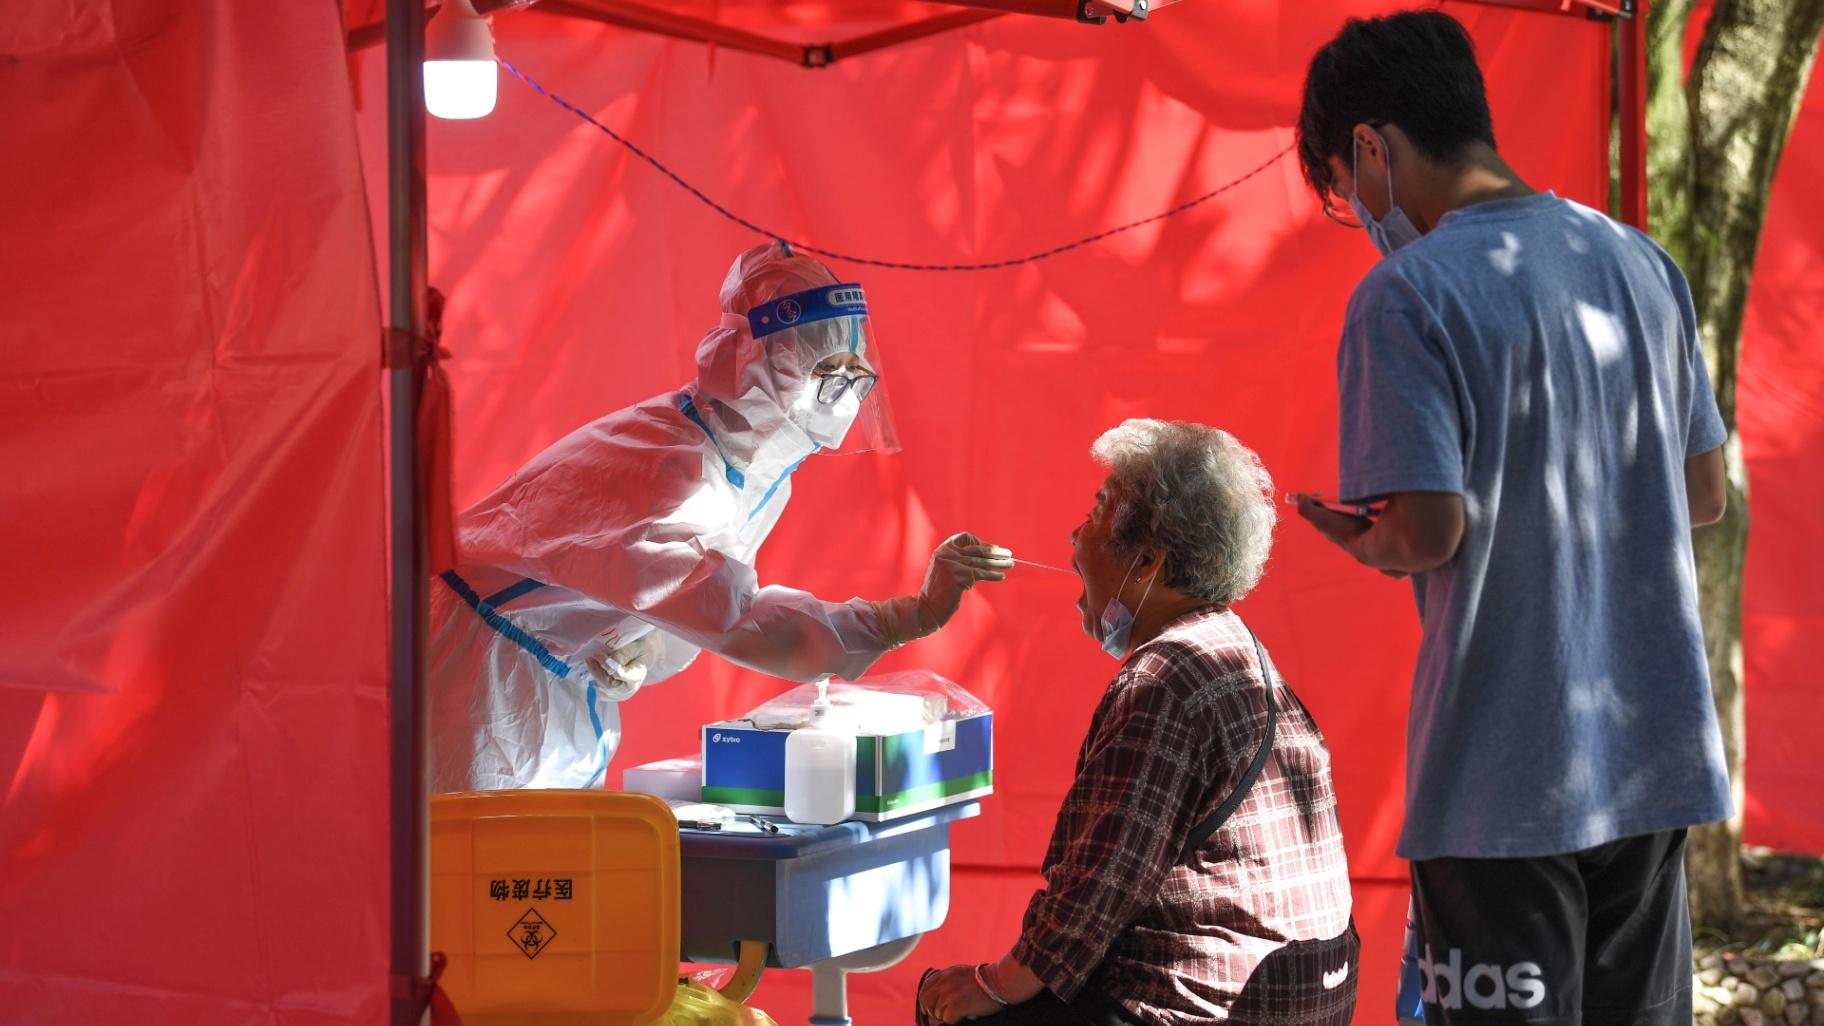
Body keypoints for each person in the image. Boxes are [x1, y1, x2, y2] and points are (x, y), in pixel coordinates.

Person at [1292, 11, 1731, 1025]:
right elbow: (1703, 494)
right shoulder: (1640, 262)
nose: (1358, 206)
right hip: (1655, 762)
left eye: (1345, 182)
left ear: (1371, 145)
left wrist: (1361, 536)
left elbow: (1431, 532)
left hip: (1502, 780)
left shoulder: (1405, 294)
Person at [428, 242, 1013, 792]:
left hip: (542, 684)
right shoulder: (670, 466)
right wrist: (901, 618)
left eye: (855, 376)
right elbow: (737, 615)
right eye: (827, 374)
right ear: (754, 362)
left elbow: (686, 597)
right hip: (477, 682)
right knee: (468, 879)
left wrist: (646, 649)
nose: (843, 398)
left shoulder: (742, 469)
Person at [917, 419, 1357, 1026]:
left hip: (1201, 1009)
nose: (1074, 534)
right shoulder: (1236, 650)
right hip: (1305, 1001)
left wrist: (989, 986)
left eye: (1097, 513)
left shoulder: (1166, 678)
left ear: (1147, 561)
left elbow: (1101, 884)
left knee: (944, 1006)